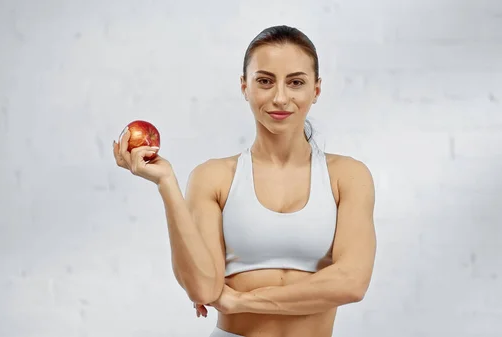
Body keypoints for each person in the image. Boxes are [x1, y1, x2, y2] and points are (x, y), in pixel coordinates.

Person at [113, 25, 377, 337]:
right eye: (264, 81)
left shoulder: (347, 176)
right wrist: (166, 183)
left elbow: (351, 282)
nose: (280, 97)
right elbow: (203, 288)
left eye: (296, 82)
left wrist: (242, 300)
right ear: (244, 87)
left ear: (315, 90)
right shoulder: (213, 178)